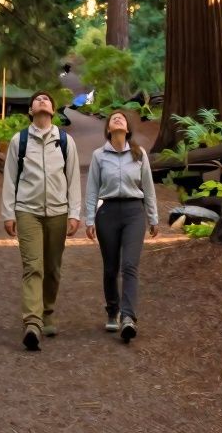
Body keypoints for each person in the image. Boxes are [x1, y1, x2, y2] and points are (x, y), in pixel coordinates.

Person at [1, 90, 81, 351]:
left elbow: (74, 181)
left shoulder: (65, 141)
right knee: (33, 266)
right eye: (38, 100)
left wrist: (74, 213)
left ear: (53, 110)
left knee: (53, 268)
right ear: (31, 111)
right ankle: (32, 323)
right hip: (27, 211)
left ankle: (47, 311)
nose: (43, 101)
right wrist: (8, 213)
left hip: (58, 212)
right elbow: (10, 179)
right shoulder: (19, 141)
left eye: (47, 99)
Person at [84, 109, 158, 341]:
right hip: (107, 214)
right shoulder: (99, 155)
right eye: (113, 118)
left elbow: (148, 187)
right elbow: (92, 189)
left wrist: (153, 217)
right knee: (110, 268)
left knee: (129, 266)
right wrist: (88, 218)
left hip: (134, 213)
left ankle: (128, 317)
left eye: (122, 118)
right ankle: (113, 310)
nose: (117, 119)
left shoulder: (139, 154)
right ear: (108, 129)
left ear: (127, 129)